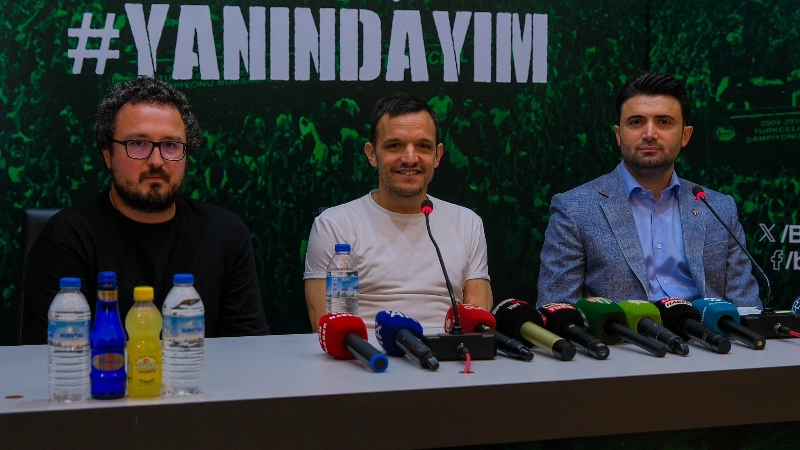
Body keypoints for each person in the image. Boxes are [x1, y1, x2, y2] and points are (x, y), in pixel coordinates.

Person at [22, 76, 269, 344]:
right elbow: (51, 356)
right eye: (138, 143)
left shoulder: (225, 233)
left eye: (171, 145)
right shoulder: (66, 238)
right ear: (108, 154)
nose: (156, 161)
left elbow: (248, 350)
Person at [537, 72, 760, 308]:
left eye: (664, 122)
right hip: (623, 332)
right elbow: (557, 311)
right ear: (618, 135)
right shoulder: (575, 209)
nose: (650, 134)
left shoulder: (718, 208)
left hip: (707, 330)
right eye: (636, 122)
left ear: (685, 135)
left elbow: (746, 308)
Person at [304, 93, 493, 332]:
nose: (410, 158)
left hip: (450, 352)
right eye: (394, 145)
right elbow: (326, 327)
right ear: (372, 154)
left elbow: (477, 328)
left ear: (437, 155)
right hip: (366, 353)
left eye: (423, 146)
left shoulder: (467, 223)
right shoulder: (334, 225)